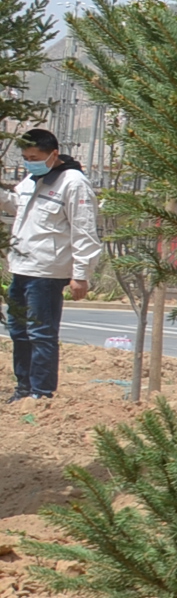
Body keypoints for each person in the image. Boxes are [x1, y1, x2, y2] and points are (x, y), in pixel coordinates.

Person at [8, 128, 102, 403]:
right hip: (22, 268)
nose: (29, 161)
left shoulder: (73, 183)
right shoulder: (33, 179)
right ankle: (23, 389)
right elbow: (18, 205)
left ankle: (41, 392)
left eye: (34, 156)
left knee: (41, 333)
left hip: (47, 272)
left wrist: (81, 274)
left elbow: (84, 230)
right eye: (25, 157)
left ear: (53, 154)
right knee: (19, 331)